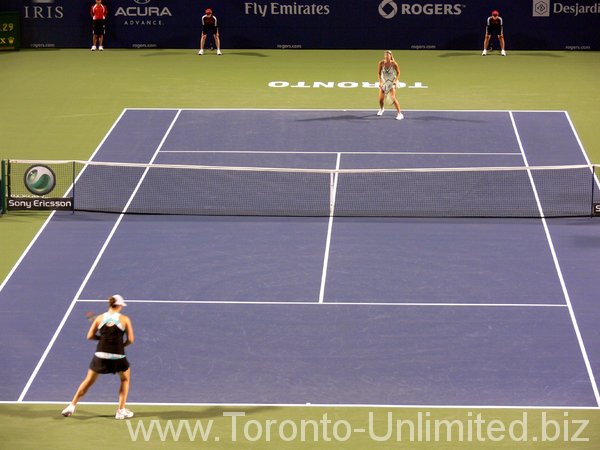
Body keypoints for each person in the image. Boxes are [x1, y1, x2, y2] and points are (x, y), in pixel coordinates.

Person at [61, 295, 135, 420]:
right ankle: (121, 410)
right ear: (119, 305)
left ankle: (71, 406)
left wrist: (101, 338)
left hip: (100, 355)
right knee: (125, 379)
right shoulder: (124, 319)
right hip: (118, 355)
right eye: (122, 305)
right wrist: (121, 345)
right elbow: (131, 340)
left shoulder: (99, 318)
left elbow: (90, 336)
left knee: (88, 381)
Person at [377, 50, 404, 120]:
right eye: (385, 55)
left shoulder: (394, 64)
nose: (386, 56)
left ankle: (400, 114)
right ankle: (382, 109)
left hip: (392, 82)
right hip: (384, 82)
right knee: (380, 99)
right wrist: (380, 82)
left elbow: (398, 72)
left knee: (393, 97)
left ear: (390, 56)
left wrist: (395, 80)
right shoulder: (381, 63)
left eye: (388, 55)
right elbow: (379, 73)